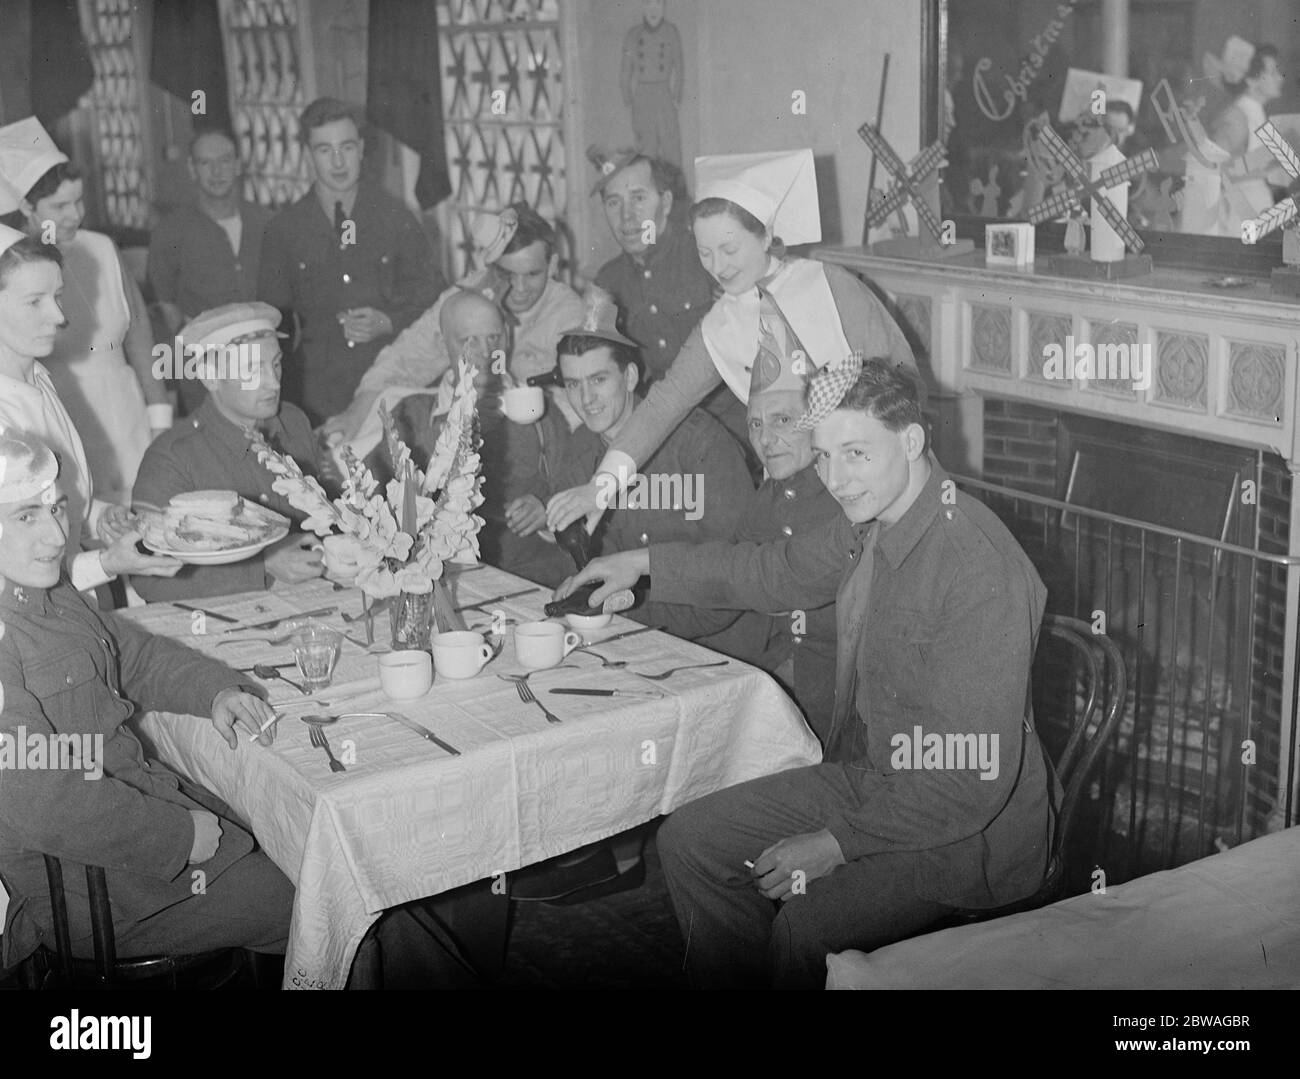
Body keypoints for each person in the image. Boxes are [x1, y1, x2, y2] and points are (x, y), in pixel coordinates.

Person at [556, 358, 1055, 989]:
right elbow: (768, 570)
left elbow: (968, 779)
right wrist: (638, 562)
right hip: (877, 783)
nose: (837, 480)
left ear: (910, 441)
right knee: (689, 842)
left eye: (855, 454)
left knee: (806, 928)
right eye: (824, 456)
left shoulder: (975, 567)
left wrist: (837, 841)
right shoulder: (872, 522)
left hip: (967, 832)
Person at [0, 431, 295, 970]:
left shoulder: (48, 590)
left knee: (305, 848)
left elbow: (129, 654)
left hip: (140, 832)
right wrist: (178, 836)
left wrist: (213, 689)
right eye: (26, 516)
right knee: (321, 906)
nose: (56, 535)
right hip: (97, 893)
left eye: (58, 510)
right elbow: (40, 799)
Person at [546, 148, 917, 535]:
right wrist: (601, 487)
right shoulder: (718, 325)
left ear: (766, 236)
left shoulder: (829, 285)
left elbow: (902, 381)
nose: (717, 267)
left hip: (877, 477)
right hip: (796, 488)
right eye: (705, 253)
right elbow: (663, 405)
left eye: (729, 249)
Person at [548, 290, 755, 643]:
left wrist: (629, 614)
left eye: (599, 379)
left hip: (720, 644)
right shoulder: (577, 454)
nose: (586, 399)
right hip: (629, 634)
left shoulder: (697, 443)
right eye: (573, 384)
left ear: (629, 377)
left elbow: (734, 576)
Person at [0, 224, 180, 593]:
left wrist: (99, 517)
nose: (59, 316)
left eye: (58, 296)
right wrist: (107, 563)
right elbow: (20, 586)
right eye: (35, 301)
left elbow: (55, 500)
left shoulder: (37, 378)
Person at [0, 117, 168, 505]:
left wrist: (159, 417)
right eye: (59, 206)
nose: (75, 215)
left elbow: (139, 334)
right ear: (26, 207)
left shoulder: (103, 248)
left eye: (78, 201)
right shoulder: (11, 270)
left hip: (125, 410)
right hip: (62, 413)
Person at [324, 203, 585, 443]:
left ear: (551, 266)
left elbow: (582, 401)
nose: (518, 288)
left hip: (538, 438)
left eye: (531, 274)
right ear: (490, 266)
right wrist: (357, 412)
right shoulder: (466, 298)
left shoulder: (569, 314)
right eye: (506, 273)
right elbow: (406, 359)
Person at [258, 97, 441, 425]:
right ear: (308, 155)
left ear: (361, 148)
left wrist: (387, 322)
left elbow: (435, 304)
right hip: (317, 398)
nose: (338, 162)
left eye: (346, 147)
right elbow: (272, 326)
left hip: (393, 389)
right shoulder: (284, 230)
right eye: (325, 150)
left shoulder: (397, 219)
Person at [131, 302, 325, 602]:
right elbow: (149, 575)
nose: (274, 383)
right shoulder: (172, 457)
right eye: (252, 370)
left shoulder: (293, 423)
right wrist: (262, 566)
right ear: (210, 378)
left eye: (276, 364)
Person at [588, 147, 750, 452]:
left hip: (736, 425)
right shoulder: (607, 283)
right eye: (614, 202)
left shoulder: (707, 255)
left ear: (665, 202)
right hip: (665, 430)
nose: (626, 217)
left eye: (638, 198)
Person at [732, 346, 841, 742]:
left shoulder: (848, 496)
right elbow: (732, 575)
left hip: (842, 707)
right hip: (781, 682)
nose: (765, 439)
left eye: (782, 420)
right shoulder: (771, 495)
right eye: (755, 424)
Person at [148, 129, 272, 415]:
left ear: (239, 164)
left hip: (265, 363)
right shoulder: (171, 231)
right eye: (205, 163)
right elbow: (166, 311)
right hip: (205, 371)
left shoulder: (267, 223)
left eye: (225, 161)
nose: (217, 172)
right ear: (192, 169)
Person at [621, 0, 683, 165]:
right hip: (642, 96)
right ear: (642, 6)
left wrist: (676, 97)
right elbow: (625, 72)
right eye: (649, 4)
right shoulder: (633, 35)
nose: (653, 10)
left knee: (671, 151)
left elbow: (679, 67)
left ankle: (675, 190)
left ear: (664, 8)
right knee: (647, 152)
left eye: (658, 5)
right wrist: (629, 100)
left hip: (664, 94)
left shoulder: (671, 32)